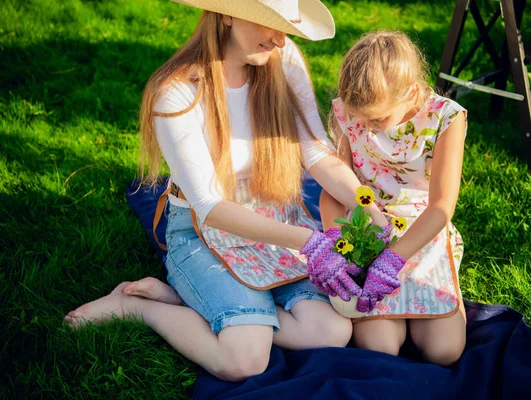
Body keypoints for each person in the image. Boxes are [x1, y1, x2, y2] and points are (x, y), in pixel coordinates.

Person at [64, 0, 389, 382]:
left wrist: (370, 208)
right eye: (270, 24)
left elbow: (316, 151)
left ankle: (207, 305)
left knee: (331, 331)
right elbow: (209, 205)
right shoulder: (177, 92)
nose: (281, 39)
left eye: (287, 27)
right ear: (229, 12)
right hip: (208, 232)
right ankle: (138, 307)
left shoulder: (281, 60)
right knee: (244, 361)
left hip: (278, 219)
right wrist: (309, 243)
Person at [320, 31, 468, 366]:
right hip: (365, 231)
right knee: (380, 347)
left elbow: (441, 207)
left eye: (377, 119)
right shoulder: (351, 112)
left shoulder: (444, 118)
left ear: (412, 92)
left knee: (443, 351)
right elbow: (333, 193)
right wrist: (337, 243)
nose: (367, 127)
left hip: (422, 232)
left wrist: (393, 260)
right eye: (361, 118)